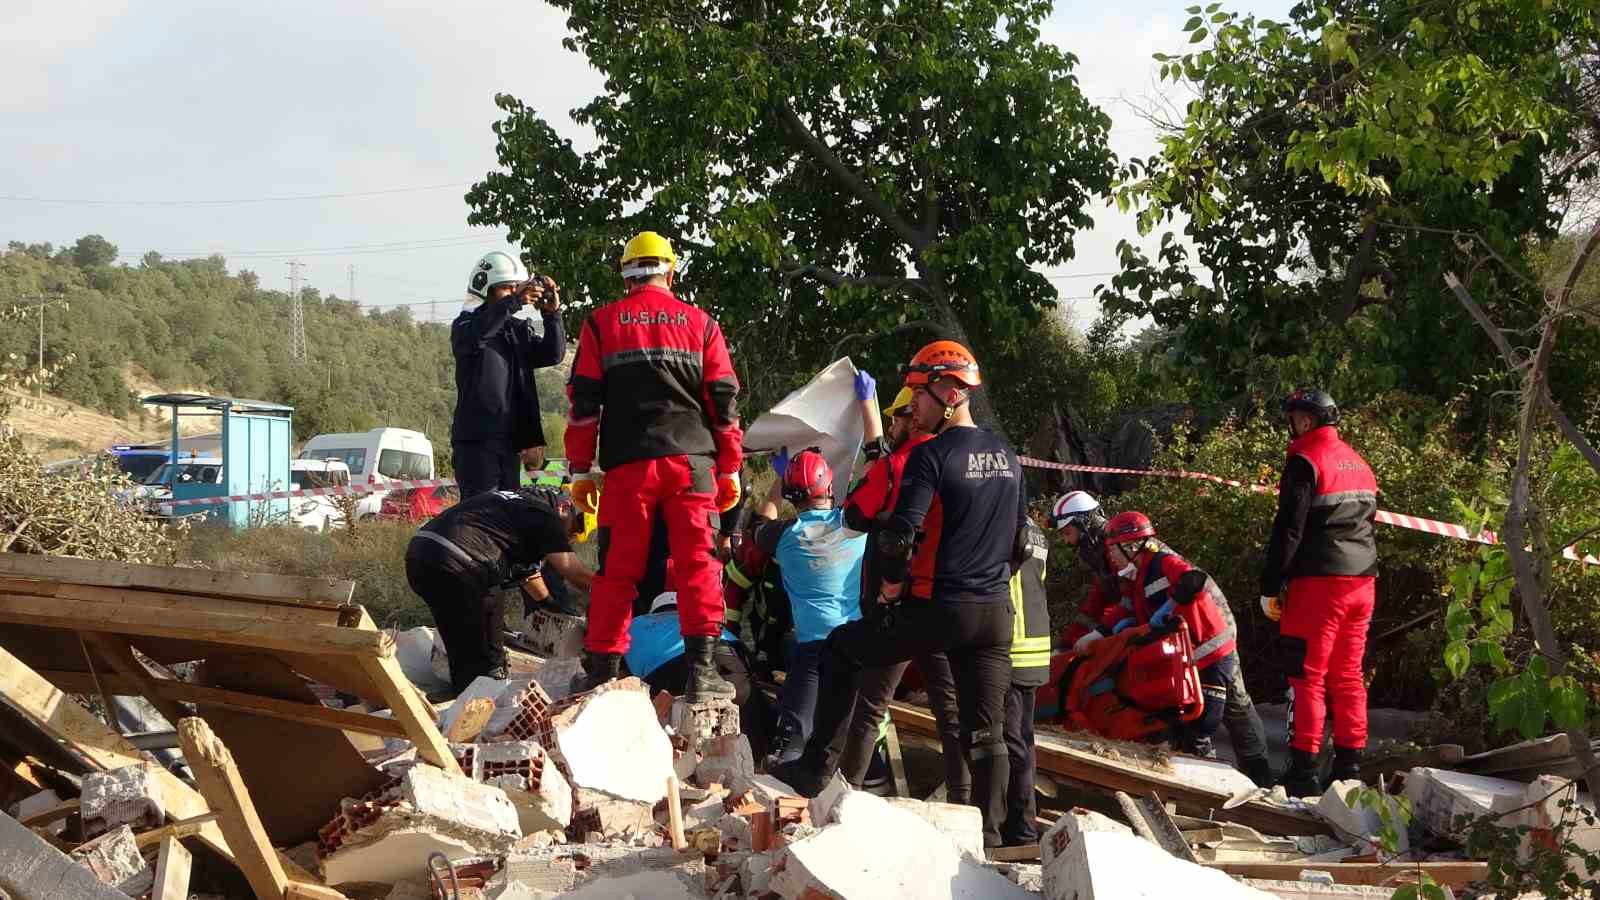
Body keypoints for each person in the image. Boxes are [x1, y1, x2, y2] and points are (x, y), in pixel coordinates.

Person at [773, 340, 1024, 849]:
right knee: (985, 730)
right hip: (995, 613)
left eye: (919, 395)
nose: (914, 406)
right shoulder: (1006, 454)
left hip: (938, 607)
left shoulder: (930, 455)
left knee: (842, 652)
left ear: (951, 391)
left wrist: (890, 588)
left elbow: (896, 535)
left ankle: (815, 774)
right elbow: (1021, 541)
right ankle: (992, 840)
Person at [566, 231, 744, 703]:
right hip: (693, 465)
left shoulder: (601, 324)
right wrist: (729, 467)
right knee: (698, 567)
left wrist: (580, 470)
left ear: (625, 273)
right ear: (672, 270)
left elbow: (583, 405)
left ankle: (602, 670)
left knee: (617, 571)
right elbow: (723, 402)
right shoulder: (702, 324)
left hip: (629, 468)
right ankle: (702, 674)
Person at [1052, 492, 1272, 785]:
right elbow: (1119, 601)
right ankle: (1201, 770)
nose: (1068, 541)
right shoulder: (1114, 554)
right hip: (1177, 640)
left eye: (1068, 532)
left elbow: (1188, 581)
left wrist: (1150, 617)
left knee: (1230, 704)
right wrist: (1088, 637)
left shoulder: (1133, 548)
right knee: (1185, 708)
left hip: (1208, 634)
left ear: (1084, 523)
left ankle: (1258, 775)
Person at [834, 383, 969, 804]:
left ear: (913, 418)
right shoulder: (958, 461)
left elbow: (853, 517)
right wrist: (868, 409)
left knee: (870, 705)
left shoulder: (901, 464)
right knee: (951, 714)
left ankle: (845, 799)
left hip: (897, 606)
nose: (892, 424)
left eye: (897, 417)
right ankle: (968, 805)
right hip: (944, 603)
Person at [1259, 388, 1378, 796]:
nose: (1291, 427)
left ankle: (1303, 774)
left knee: (1306, 676)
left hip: (1319, 584)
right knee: (1348, 676)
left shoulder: (1304, 459)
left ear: (1306, 420)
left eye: (1293, 419)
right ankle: (1349, 771)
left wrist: (1270, 585)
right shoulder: (1360, 464)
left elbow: (1289, 529)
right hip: (1363, 581)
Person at [736, 448, 868, 765]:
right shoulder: (855, 526)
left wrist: (780, 482)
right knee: (850, 733)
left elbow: (758, 523)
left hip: (812, 651)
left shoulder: (783, 535)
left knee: (791, 741)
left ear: (792, 496)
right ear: (829, 488)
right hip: (856, 647)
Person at [404, 486, 594, 694]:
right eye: (575, 529)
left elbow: (528, 574)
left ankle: (480, 687)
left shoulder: (521, 502)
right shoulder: (546, 516)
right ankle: (472, 712)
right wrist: (612, 593)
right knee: (475, 657)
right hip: (456, 564)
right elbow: (572, 570)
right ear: (566, 508)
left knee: (478, 627)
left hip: (422, 556)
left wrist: (550, 605)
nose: (570, 537)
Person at [1097, 512, 1240, 757]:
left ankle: (1209, 774)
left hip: (1211, 653)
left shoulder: (1163, 562)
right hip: (1189, 657)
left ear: (1131, 546)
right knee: (1178, 724)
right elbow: (1137, 609)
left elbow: (1194, 579)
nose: (1110, 556)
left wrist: (1170, 606)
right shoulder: (1140, 576)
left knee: (1202, 724)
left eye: (1113, 549)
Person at [450, 251, 567, 497]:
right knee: (481, 517)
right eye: (507, 288)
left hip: (510, 445)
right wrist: (514, 301)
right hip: (477, 444)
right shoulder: (465, 326)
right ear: (486, 289)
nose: (515, 293)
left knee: (507, 518)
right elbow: (479, 334)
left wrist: (552, 314)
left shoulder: (516, 330)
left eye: (518, 287)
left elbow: (552, 354)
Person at [625, 592, 774, 758]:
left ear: (654, 611)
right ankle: (763, 759)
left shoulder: (636, 624)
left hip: (672, 675)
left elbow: (624, 677)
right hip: (729, 663)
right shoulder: (708, 623)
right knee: (754, 717)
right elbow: (751, 664)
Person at [1002, 516, 1051, 848]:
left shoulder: (1004, 528)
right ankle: (1021, 825)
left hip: (1013, 647)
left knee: (1013, 744)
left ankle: (1019, 830)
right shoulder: (1037, 533)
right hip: (1035, 646)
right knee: (1023, 741)